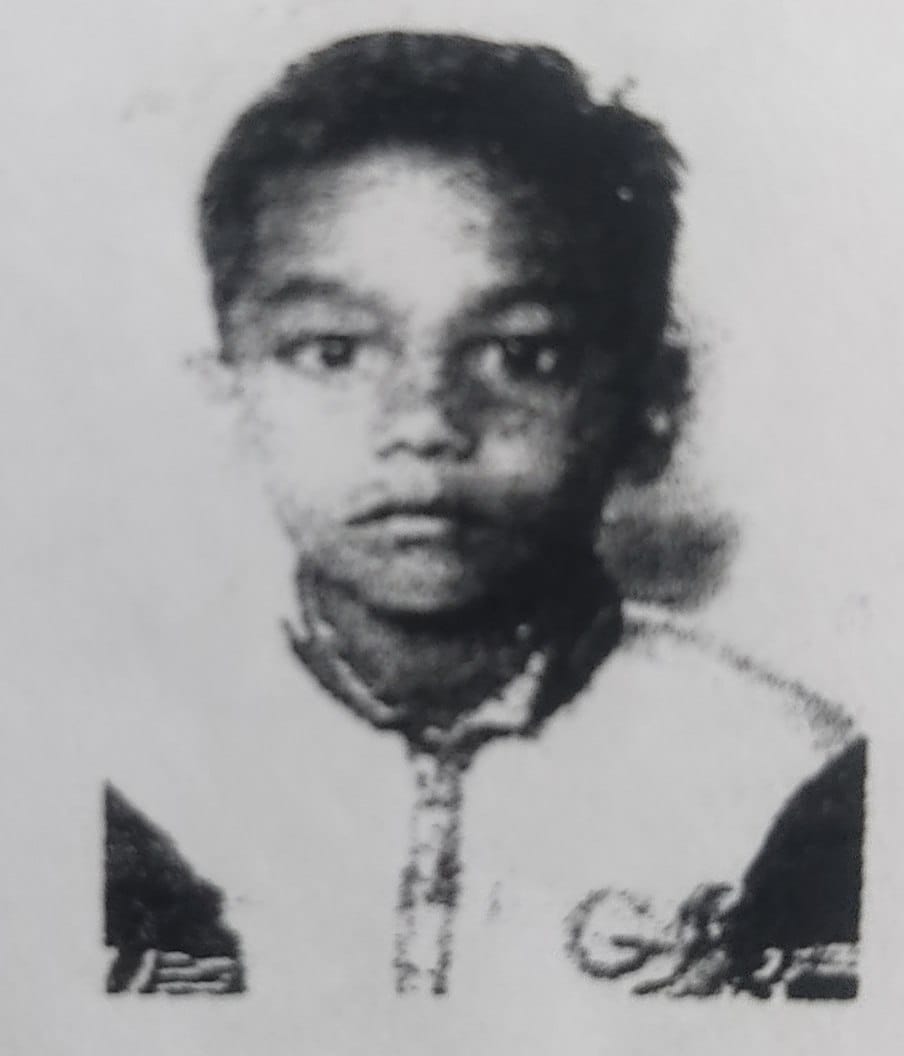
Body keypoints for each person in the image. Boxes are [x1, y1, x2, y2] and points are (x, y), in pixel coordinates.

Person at [104, 31, 865, 1002]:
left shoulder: (792, 780)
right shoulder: (123, 767)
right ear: (229, 399)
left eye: (520, 355)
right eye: (333, 352)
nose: (424, 423)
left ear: (651, 405)